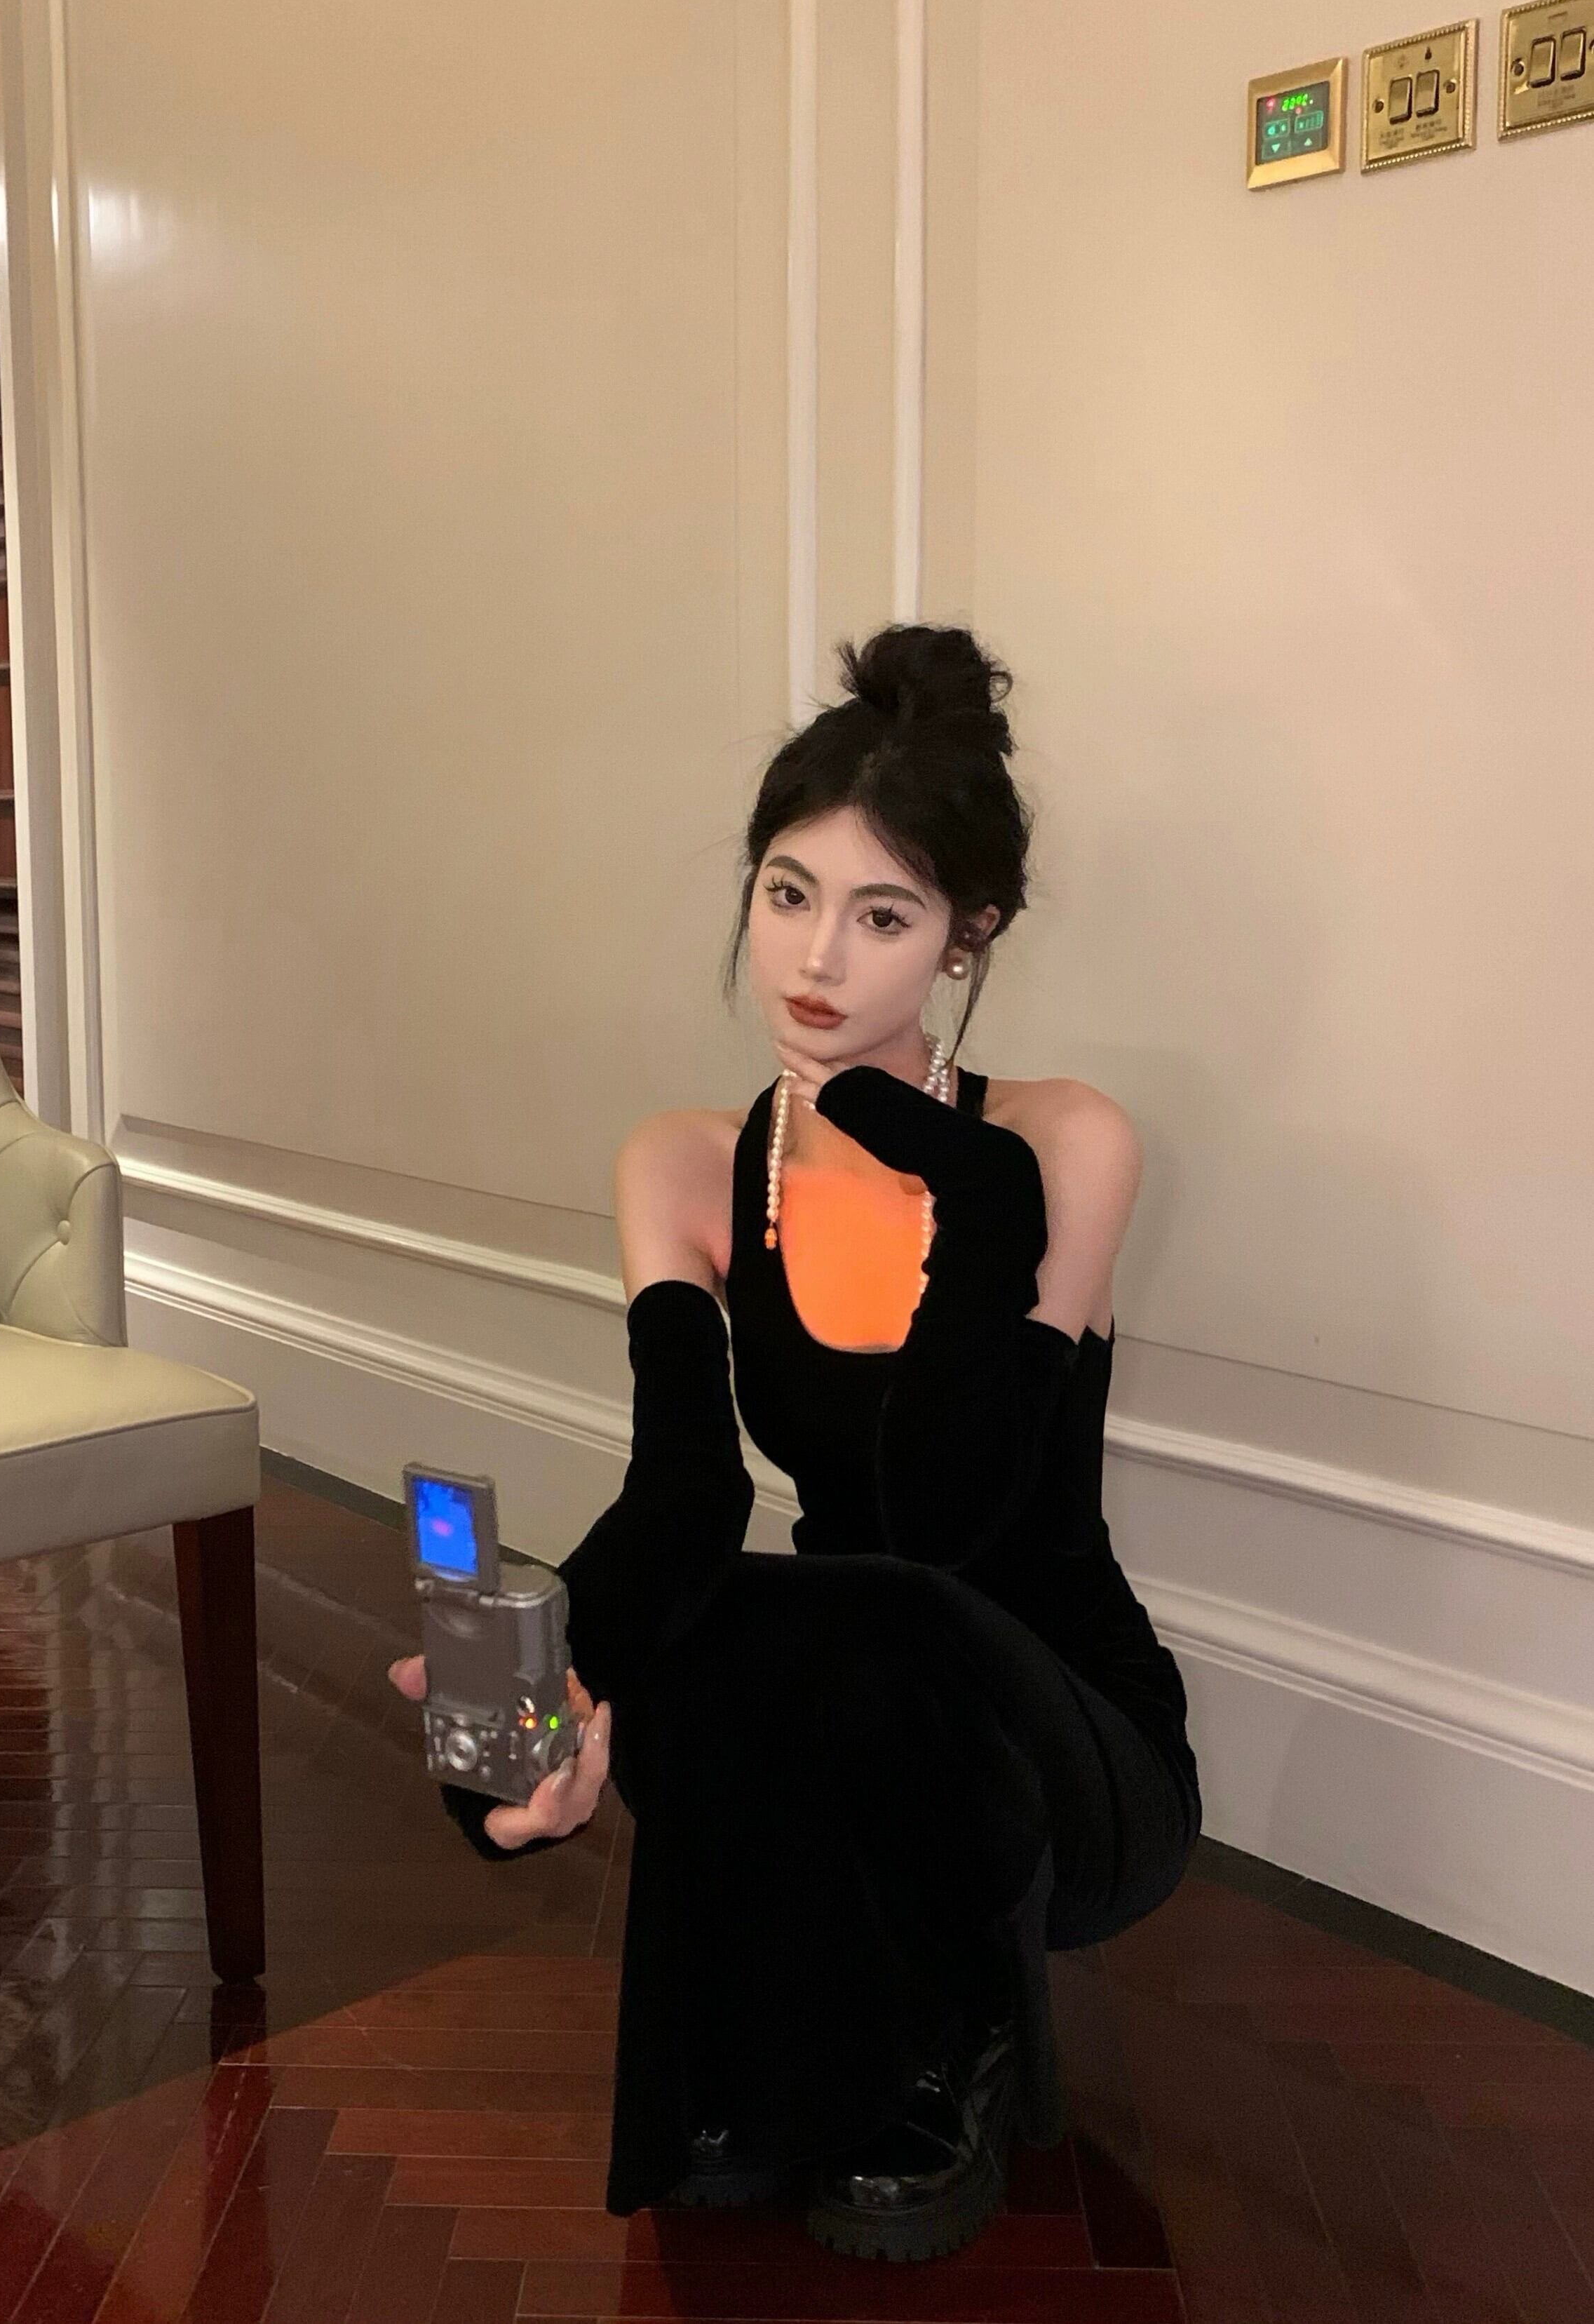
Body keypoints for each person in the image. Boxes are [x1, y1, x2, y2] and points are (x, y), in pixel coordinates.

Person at [389, 621, 1202, 2264]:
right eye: (785, 891)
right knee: (715, 1625)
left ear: (966, 936)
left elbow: (955, 1511)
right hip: (851, 1682)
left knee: (873, 1603)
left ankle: (955, 2045)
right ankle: (746, 2065)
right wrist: (559, 1681)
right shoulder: (688, 1163)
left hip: (1059, 1734)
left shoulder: (1058, 1141)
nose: (814, 957)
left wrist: (949, 1174)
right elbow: (685, 1485)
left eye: (881, 914)